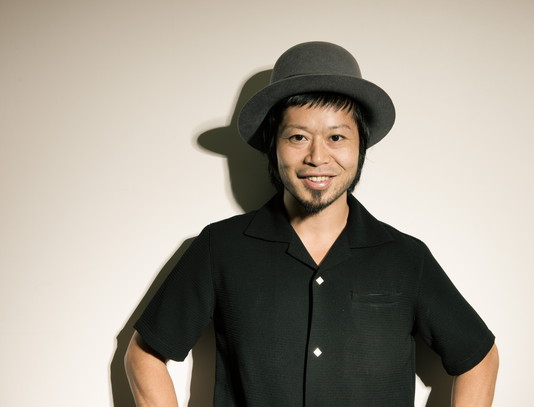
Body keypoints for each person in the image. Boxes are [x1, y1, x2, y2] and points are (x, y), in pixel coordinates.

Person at [124, 41, 499, 407]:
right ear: (273, 145)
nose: (318, 157)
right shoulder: (220, 247)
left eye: (336, 137)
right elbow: (145, 354)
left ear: (360, 146)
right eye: (298, 137)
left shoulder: (406, 257)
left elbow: (479, 358)